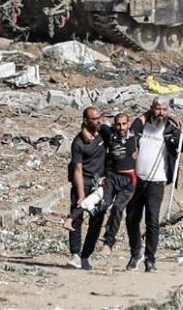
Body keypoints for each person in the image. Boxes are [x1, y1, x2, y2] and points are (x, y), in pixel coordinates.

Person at [125, 96, 183, 272]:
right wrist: (142, 117)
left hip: (157, 182)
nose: (161, 113)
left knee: (152, 220)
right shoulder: (142, 127)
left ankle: (150, 259)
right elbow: (130, 132)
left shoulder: (171, 130)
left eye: (164, 109)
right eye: (158, 108)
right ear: (151, 108)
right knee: (131, 219)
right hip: (136, 180)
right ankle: (136, 253)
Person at [66, 107, 107, 270]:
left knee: (97, 221)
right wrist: (81, 194)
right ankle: (75, 254)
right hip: (83, 182)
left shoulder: (103, 133)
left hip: (99, 184)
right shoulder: (78, 142)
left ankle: (85, 256)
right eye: (94, 119)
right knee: (76, 218)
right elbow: (77, 169)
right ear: (85, 121)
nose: (98, 121)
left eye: (99, 118)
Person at [99, 113, 139, 257]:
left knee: (117, 208)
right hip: (112, 177)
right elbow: (95, 124)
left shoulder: (135, 136)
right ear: (114, 124)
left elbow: (146, 117)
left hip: (129, 180)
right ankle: (93, 236)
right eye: (118, 124)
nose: (121, 127)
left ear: (128, 124)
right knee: (102, 204)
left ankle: (108, 243)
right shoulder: (109, 133)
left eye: (124, 124)